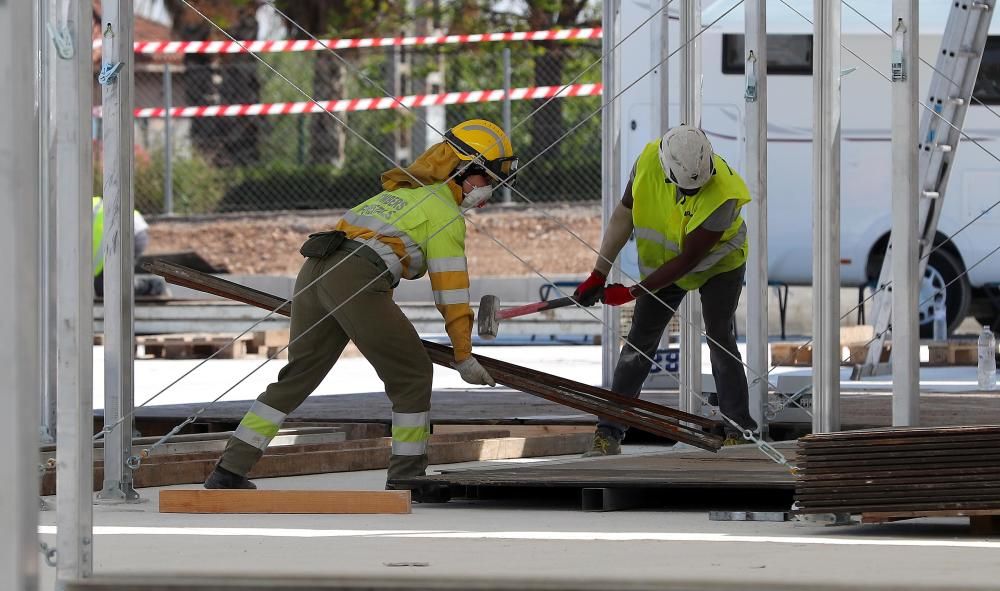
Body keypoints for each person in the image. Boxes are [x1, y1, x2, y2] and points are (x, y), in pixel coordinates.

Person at [203, 119, 519, 500]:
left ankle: (229, 469)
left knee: (298, 373)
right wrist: (463, 355)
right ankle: (407, 474)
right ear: (463, 171)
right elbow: (450, 292)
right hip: (357, 277)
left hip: (316, 267)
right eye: (487, 181)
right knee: (412, 374)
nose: (489, 192)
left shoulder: (400, 193)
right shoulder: (444, 215)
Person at [575, 124, 758, 456]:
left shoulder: (725, 194)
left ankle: (738, 429)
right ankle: (609, 433)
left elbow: (689, 260)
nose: (692, 193)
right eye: (686, 189)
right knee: (638, 344)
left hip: (719, 264)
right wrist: (598, 274)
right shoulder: (647, 161)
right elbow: (622, 217)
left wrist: (633, 293)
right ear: (666, 168)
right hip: (665, 266)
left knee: (719, 335)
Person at [92, 196, 166, 297]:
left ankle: (155, 285)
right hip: (125, 233)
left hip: (129, 233)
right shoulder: (74, 208)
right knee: (103, 287)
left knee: (108, 288)